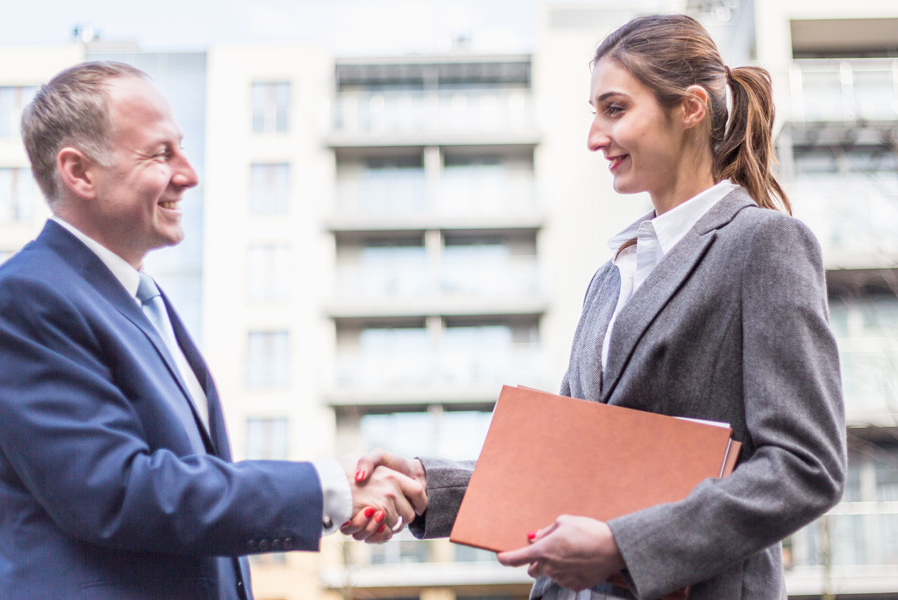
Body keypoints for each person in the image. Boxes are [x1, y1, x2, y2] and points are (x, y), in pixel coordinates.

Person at [347, 13, 847, 600]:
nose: (594, 137)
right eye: (595, 114)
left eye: (615, 109)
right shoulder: (611, 277)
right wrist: (430, 488)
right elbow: (571, 469)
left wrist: (624, 545)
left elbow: (806, 466)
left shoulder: (763, 244)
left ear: (689, 108)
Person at [0, 61, 424, 600]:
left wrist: (338, 498)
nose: (189, 174)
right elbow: (115, 493)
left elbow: (185, 497)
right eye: (161, 153)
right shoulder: (30, 297)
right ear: (79, 172)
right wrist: (325, 490)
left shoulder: (142, 303)